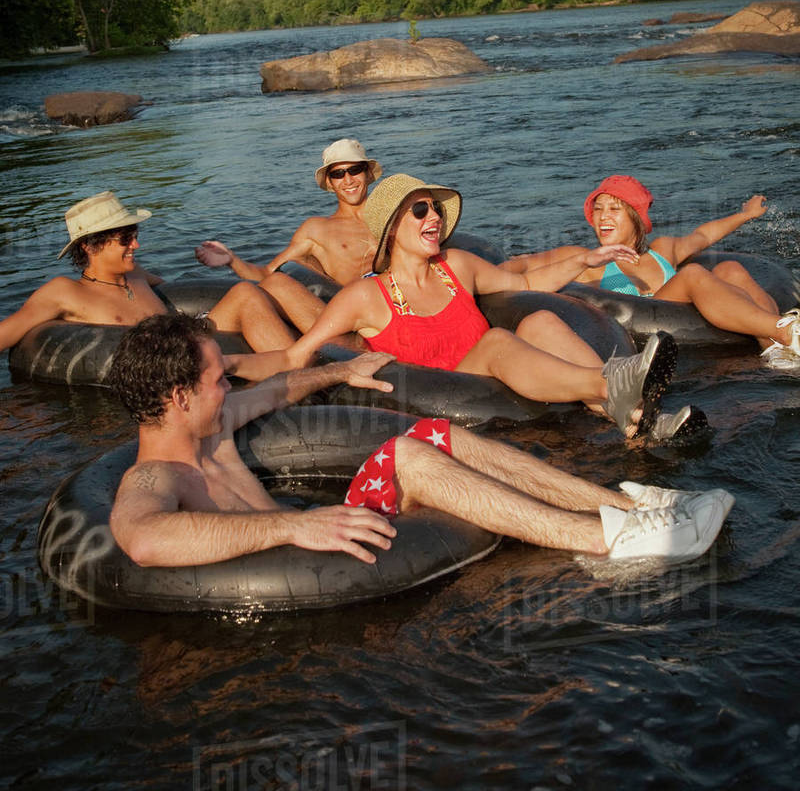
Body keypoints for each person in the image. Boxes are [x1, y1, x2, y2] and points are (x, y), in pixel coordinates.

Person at [109, 313, 734, 568]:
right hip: (301, 559)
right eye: (219, 378)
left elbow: (278, 389)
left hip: (324, 537)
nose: (229, 384)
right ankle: (606, 543)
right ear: (179, 397)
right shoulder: (153, 478)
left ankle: (629, 506)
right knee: (406, 453)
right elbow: (142, 538)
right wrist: (290, 527)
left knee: (433, 433)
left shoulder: (212, 425)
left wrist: (336, 370)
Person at [282, 174, 692, 440]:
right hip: (444, 398)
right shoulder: (363, 297)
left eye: (436, 209)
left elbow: (526, 283)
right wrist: (234, 374)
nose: (435, 218)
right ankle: (611, 384)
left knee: (541, 320)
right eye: (420, 210)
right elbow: (301, 354)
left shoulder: (455, 266)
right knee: (497, 340)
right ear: (391, 228)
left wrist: (584, 260)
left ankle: (642, 422)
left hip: (492, 376)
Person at [503, 175, 800, 366]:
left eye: (614, 209)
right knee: (693, 275)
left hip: (694, 318)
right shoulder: (586, 259)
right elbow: (525, 263)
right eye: (598, 209)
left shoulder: (662, 251)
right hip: (648, 337)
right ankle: (786, 331)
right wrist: (493, 270)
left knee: (732, 269)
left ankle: (777, 349)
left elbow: (703, 236)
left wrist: (745, 215)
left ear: (635, 218)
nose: (603, 217)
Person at [0, 191, 299, 381]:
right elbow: (7, 332)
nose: (136, 244)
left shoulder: (136, 275)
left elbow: (186, 297)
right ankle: (300, 376)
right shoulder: (65, 292)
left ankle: (303, 368)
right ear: (91, 247)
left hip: (194, 344)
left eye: (134, 234)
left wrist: (229, 262)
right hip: (159, 375)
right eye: (125, 239)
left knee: (248, 291)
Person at [194, 138, 382, 331]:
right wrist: (231, 260)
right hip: (362, 315)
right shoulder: (316, 229)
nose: (348, 180)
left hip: (401, 303)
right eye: (338, 174)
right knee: (275, 283)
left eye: (355, 170)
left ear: (367, 173)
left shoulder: (392, 215)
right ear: (330, 182)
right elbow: (267, 274)